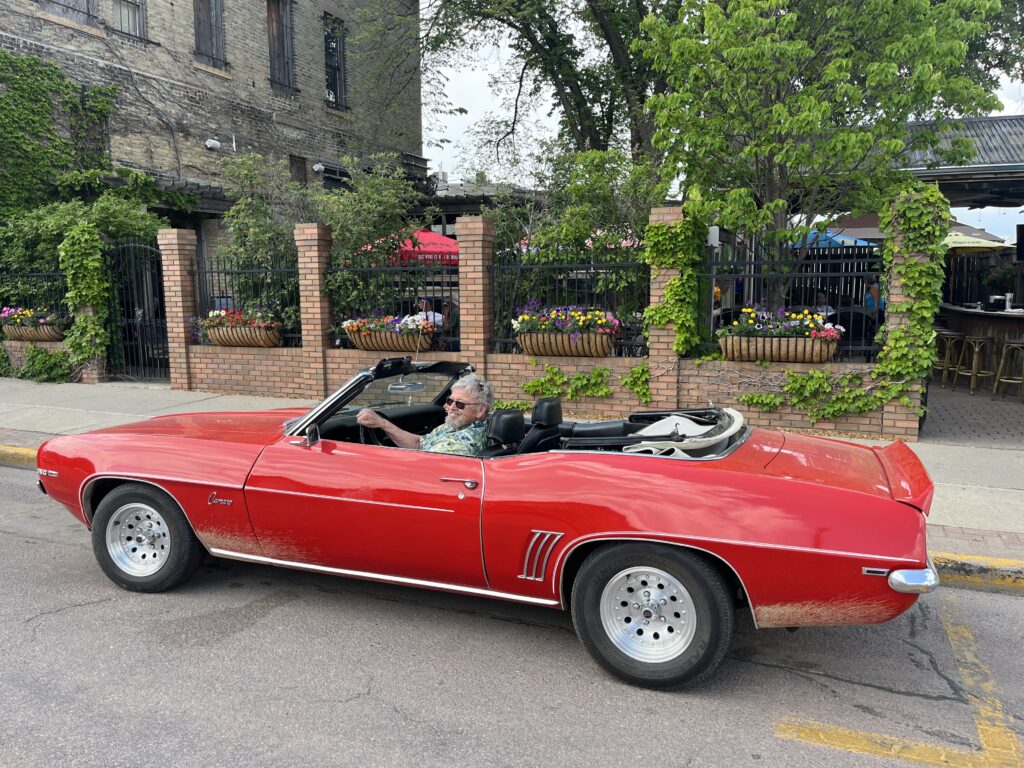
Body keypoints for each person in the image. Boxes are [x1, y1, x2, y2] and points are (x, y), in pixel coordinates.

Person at [355, 373, 493, 456]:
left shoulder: (463, 442)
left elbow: (419, 463)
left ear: (480, 410)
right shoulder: (458, 426)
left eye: (460, 404)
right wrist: (382, 423)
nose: (451, 407)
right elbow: (419, 444)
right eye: (450, 401)